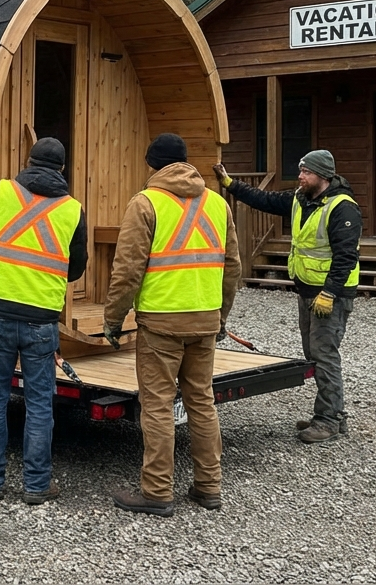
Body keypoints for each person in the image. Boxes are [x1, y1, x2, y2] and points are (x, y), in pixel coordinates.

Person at [104, 133, 240, 517]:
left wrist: (114, 319)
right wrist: (221, 317)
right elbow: (233, 267)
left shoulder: (146, 203)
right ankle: (208, 487)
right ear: (185, 161)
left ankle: (157, 492)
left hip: (161, 324)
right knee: (202, 402)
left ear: (152, 165)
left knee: (159, 407)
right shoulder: (216, 203)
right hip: (205, 320)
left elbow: (127, 269)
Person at [0, 135, 88, 505]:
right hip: (42, 321)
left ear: (29, 161)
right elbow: (76, 269)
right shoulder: (73, 210)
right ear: (61, 169)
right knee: (40, 405)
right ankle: (36, 486)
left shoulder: (1, 192)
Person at [214, 149, 361, 444]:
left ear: (322, 175)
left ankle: (328, 421)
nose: (300, 176)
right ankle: (334, 413)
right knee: (315, 353)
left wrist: (329, 293)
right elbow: (265, 200)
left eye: (305, 172)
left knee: (324, 354)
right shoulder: (300, 200)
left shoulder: (343, 208)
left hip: (330, 295)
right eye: (301, 170)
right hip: (308, 291)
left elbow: (346, 256)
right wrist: (231, 184)